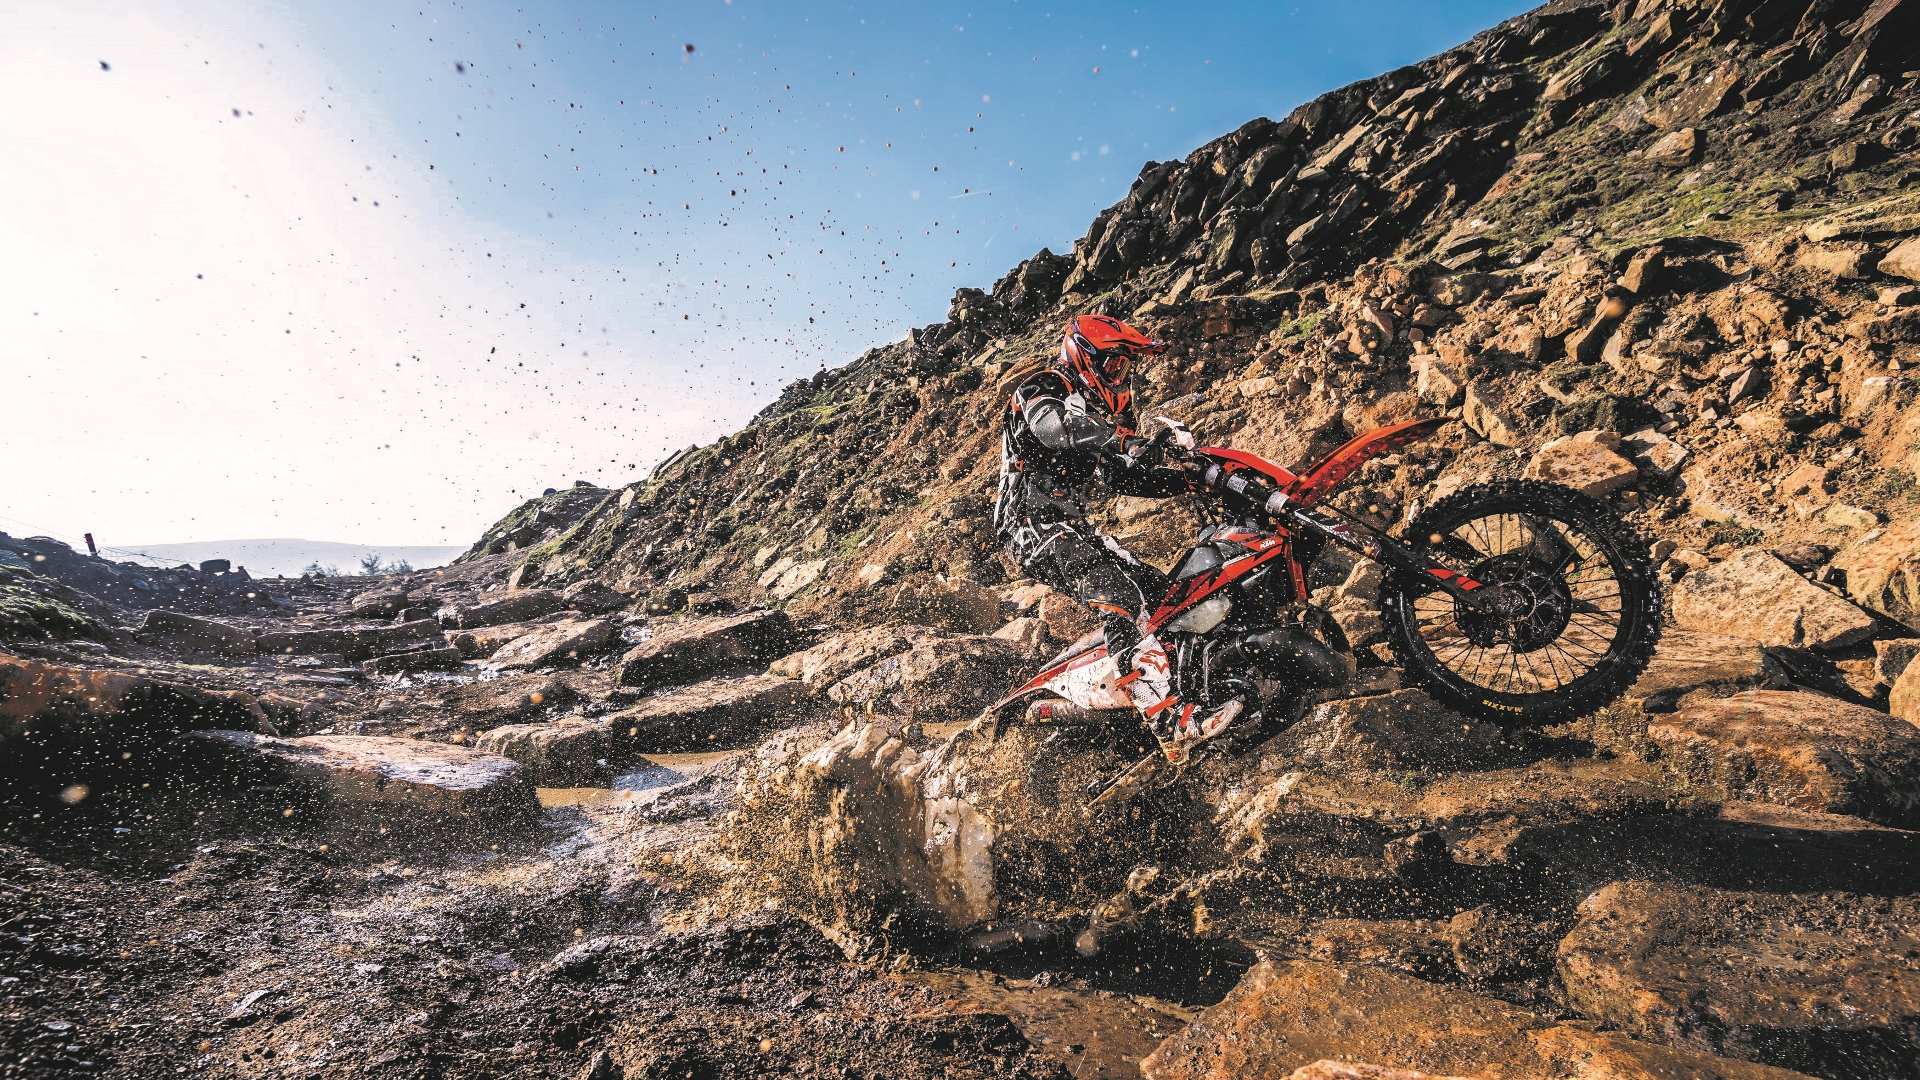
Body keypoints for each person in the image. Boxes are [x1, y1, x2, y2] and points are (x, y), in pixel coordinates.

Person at [992, 314, 1242, 765]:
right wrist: (1124, 441)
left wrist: (1184, 481)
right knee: (1117, 594)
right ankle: (1168, 721)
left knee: (1163, 596)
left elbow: (1122, 477)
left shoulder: (1101, 418)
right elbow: (1054, 428)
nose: (1120, 376)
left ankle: (1178, 691)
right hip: (1027, 524)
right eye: (1113, 365)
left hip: (1071, 527)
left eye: (1126, 367)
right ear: (1083, 356)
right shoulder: (1043, 387)